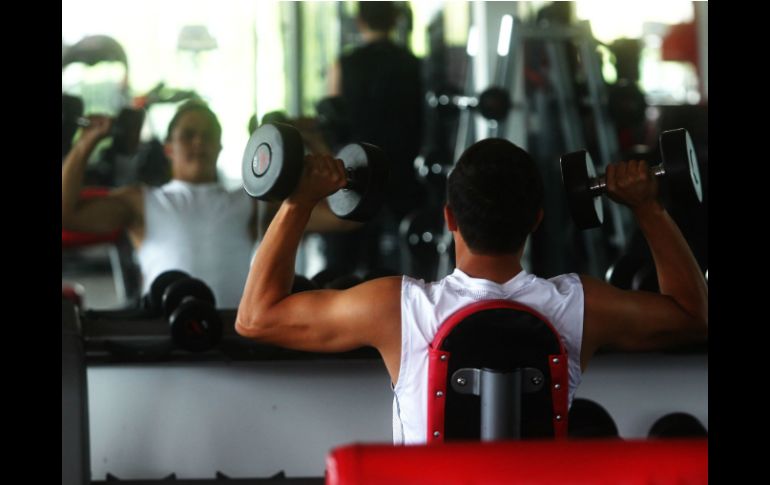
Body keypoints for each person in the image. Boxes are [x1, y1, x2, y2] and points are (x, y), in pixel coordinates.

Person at [235, 137, 708, 445]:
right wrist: (648, 207)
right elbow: (692, 315)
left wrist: (299, 199)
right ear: (537, 221)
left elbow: (255, 317)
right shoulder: (579, 305)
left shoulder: (396, 309)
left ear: (449, 220)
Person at [62, 101, 349, 308]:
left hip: (231, 336)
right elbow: (67, 216)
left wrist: (313, 142)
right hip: (164, 336)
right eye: (189, 135)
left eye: (209, 135)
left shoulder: (251, 202)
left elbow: (342, 217)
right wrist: (86, 142)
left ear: (221, 146)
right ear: (168, 148)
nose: (200, 142)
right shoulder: (141, 201)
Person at [323, 1, 425, 275]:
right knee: (406, 258)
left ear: (359, 22)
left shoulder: (344, 64)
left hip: (357, 170)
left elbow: (331, 117)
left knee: (346, 259)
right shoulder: (413, 64)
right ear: (394, 21)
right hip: (402, 171)